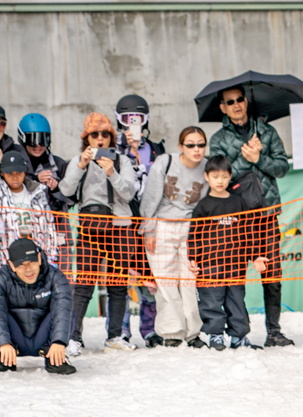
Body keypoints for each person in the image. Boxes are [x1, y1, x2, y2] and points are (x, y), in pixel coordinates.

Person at [208, 85, 295, 347]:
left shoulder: (267, 132)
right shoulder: (218, 139)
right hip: (235, 216)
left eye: (239, 99)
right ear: (222, 107)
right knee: (234, 276)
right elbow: (219, 178)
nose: (236, 104)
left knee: (272, 276)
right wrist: (249, 159)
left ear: (246, 102)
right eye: (229, 101)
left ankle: (274, 332)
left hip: (267, 215)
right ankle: (238, 332)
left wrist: (260, 157)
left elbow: (281, 168)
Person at [63, 112, 139, 353]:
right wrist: (81, 166)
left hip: (119, 227)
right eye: (94, 134)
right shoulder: (78, 160)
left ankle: (115, 336)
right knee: (84, 284)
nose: (99, 139)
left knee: (118, 284)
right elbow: (65, 190)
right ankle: (72, 337)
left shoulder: (122, 160)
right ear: (86, 138)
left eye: (105, 134)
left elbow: (129, 193)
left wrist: (111, 173)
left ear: (111, 138)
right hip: (90, 227)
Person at [188, 155, 270, 350]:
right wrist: (193, 258)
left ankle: (238, 337)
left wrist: (255, 256)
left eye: (224, 177)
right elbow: (194, 235)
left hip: (235, 264)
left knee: (236, 301)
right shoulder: (203, 206)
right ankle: (215, 335)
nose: (220, 181)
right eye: (215, 176)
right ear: (207, 177)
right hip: (210, 264)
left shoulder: (238, 203)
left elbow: (248, 233)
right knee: (212, 301)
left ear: (230, 177)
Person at [138, 125, 209, 347]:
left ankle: (193, 333)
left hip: (190, 227)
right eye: (191, 145)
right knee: (165, 281)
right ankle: (172, 333)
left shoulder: (208, 167)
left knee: (189, 280)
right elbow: (150, 199)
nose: (196, 149)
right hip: (162, 225)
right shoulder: (165, 162)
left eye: (201, 145)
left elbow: (205, 204)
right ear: (181, 146)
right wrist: (148, 230)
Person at [114, 94, 164, 347]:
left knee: (150, 278)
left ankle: (150, 330)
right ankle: (120, 330)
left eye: (137, 119)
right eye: (126, 119)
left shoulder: (156, 149)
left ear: (146, 120)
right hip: (122, 222)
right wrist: (126, 151)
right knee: (121, 277)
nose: (132, 124)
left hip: (148, 222)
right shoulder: (112, 149)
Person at [0, 238, 75, 375]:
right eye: (21, 264)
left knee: (67, 310)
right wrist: (3, 343)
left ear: (39, 258)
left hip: (44, 339)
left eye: (32, 262)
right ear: (11, 265)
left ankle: (55, 359)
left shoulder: (55, 276)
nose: (28, 269)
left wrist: (59, 342)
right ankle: (4, 358)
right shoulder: (2, 278)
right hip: (14, 339)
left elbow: (63, 309)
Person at [0, 150, 59, 266]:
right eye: (9, 173)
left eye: (19, 172)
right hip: (6, 259)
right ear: (2, 173)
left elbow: (49, 225)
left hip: (36, 256)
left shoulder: (38, 192)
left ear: (25, 172)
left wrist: (51, 257)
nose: (15, 177)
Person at [18, 114, 72, 214]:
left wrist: (57, 188)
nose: (38, 145)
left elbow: (71, 201)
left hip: (52, 223)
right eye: (33, 140)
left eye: (43, 140)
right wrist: (35, 180)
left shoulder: (59, 165)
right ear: (23, 139)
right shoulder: (15, 163)